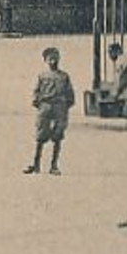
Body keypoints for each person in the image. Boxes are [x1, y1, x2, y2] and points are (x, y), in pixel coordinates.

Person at [25, 46, 74, 175]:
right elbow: (36, 91)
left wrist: (64, 106)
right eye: (50, 59)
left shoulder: (64, 76)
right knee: (40, 136)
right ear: (45, 61)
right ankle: (36, 165)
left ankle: (54, 165)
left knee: (57, 136)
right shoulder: (42, 76)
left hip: (60, 107)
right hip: (45, 106)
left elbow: (70, 94)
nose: (53, 61)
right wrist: (38, 103)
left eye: (55, 58)